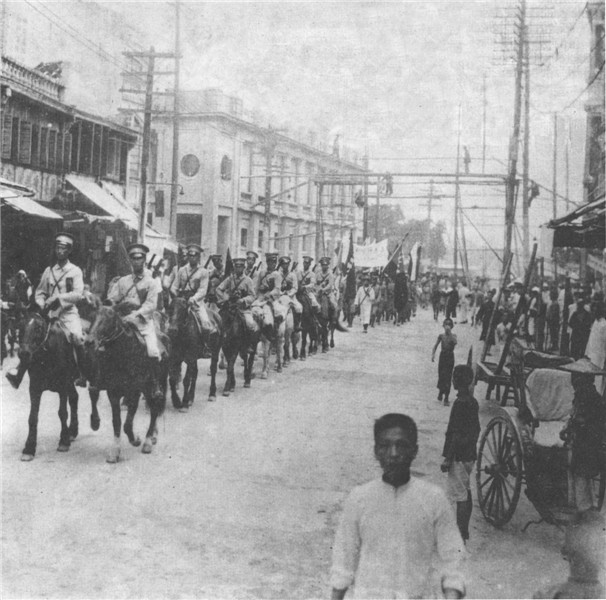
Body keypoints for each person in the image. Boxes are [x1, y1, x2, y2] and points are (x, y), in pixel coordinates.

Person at [330, 413, 466, 600]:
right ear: (376, 451)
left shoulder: (434, 499)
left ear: (414, 451)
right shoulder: (359, 498)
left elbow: (453, 557)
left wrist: (452, 593)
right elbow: (344, 560)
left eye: (401, 445)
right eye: (385, 446)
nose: (393, 454)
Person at [6, 232, 86, 390]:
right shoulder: (49, 271)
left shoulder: (75, 271)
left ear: (69, 251)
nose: (59, 251)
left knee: (77, 337)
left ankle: (81, 373)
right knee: (30, 333)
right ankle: (19, 373)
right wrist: (42, 303)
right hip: (48, 314)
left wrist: (58, 299)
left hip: (67, 315)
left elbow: (78, 294)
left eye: (63, 248)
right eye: (57, 247)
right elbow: (40, 292)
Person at [107, 243, 163, 400]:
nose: (136, 261)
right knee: (105, 343)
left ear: (144, 260)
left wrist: (137, 313)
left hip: (142, 321)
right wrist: (110, 304)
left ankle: (155, 383)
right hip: (122, 320)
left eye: (139, 258)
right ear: (130, 261)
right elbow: (113, 298)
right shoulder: (123, 281)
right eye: (133, 258)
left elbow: (151, 305)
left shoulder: (151, 282)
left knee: (153, 351)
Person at [559, 360, 606, 513]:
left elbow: (580, 419)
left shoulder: (586, 397)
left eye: (575, 378)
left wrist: (570, 428)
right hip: (590, 439)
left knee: (579, 471)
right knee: (584, 473)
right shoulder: (590, 395)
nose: (573, 382)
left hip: (586, 441)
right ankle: (585, 502)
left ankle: (580, 505)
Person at [440, 365, 480, 544]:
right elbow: (476, 429)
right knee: (466, 491)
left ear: (456, 382)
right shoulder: (473, 402)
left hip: (458, 455)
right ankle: (463, 532)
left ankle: (459, 535)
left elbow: (455, 433)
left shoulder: (459, 404)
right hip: (469, 455)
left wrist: (448, 458)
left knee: (460, 496)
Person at [170, 243, 214, 334]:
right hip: (181, 301)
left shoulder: (203, 272)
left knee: (206, 325)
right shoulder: (182, 270)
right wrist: (176, 296)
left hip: (196, 303)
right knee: (169, 323)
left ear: (198, 257)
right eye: (190, 255)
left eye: (195, 255)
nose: (192, 258)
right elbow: (174, 286)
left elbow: (202, 290)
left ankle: (205, 347)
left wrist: (193, 299)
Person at [215, 257, 257, 333]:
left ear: (244, 267)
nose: (238, 268)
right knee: (216, 322)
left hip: (243, 309)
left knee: (250, 324)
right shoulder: (230, 279)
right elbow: (218, 289)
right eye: (236, 266)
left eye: (240, 266)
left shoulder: (248, 280)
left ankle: (249, 344)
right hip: (229, 307)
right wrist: (224, 297)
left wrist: (243, 300)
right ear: (234, 267)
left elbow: (252, 296)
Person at [252, 252, 283, 331]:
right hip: (261, 296)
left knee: (277, 313)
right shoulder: (262, 273)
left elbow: (277, 288)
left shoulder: (277, 275)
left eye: (274, 262)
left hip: (272, 298)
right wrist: (254, 296)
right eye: (270, 262)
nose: (272, 264)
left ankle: (275, 330)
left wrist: (270, 293)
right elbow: (257, 286)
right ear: (267, 262)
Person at [432, 318, 457, 405]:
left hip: (450, 357)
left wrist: (449, 334)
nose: (447, 326)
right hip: (442, 357)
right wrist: (433, 354)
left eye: (449, 325)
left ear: (451, 326)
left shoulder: (454, 336)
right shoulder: (441, 336)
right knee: (441, 375)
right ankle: (440, 392)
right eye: (446, 324)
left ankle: (446, 397)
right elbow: (435, 345)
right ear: (443, 326)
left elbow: (455, 342)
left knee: (448, 376)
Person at [277, 256, 302, 330]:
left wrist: (288, 293)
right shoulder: (278, 274)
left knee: (299, 307)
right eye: (283, 264)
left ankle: (297, 324)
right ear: (281, 265)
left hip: (291, 297)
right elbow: (276, 286)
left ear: (289, 265)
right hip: (280, 296)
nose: (285, 266)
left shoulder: (292, 275)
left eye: (287, 264)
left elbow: (295, 288)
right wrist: (281, 293)